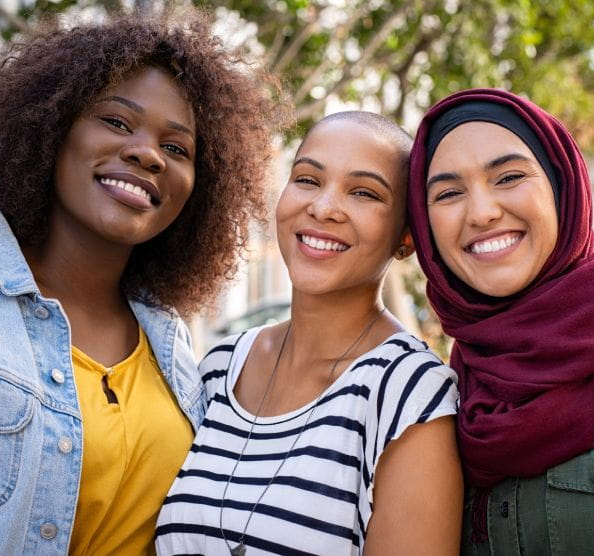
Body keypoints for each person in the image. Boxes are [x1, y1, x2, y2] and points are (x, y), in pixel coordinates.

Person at [0, 10, 287, 555]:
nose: (146, 153)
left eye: (177, 148)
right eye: (116, 122)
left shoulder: (169, 340)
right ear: (53, 127)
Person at [156, 111, 463, 555]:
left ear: (407, 237)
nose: (322, 207)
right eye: (307, 179)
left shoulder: (409, 391)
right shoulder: (221, 366)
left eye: (363, 192)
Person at [406, 88, 594, 554]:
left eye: (510, 176)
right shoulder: (432, 398)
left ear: (562, 187)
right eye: (449, 193)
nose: (481, 212)